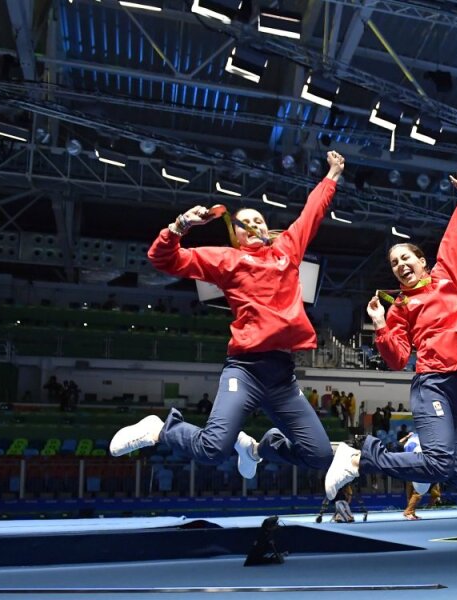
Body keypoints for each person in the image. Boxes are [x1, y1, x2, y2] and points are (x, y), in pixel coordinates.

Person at [109, 151, 347, 480]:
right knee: (212, 450)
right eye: (245, 224)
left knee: (319, 456)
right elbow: (163, 259)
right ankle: (160, 429)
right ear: (236, 235)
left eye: (259, 221)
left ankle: (257, 448)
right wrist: (180, 225)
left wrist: (332, 174)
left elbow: (312, 212)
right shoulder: (226, 260)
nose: (255, 226)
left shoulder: (288, 250)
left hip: (282, 377)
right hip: (245, 371)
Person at [324, 174, 457, 499]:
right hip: (431, 384)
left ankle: (418, 444)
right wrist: (380, 324)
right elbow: (396, 361)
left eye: (405, 258)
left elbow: (454, 241)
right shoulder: (400, 307)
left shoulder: (445, 277)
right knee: (437, 465)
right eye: (394, 263)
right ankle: (357, 458)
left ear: (422, 261)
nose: (400, 265)